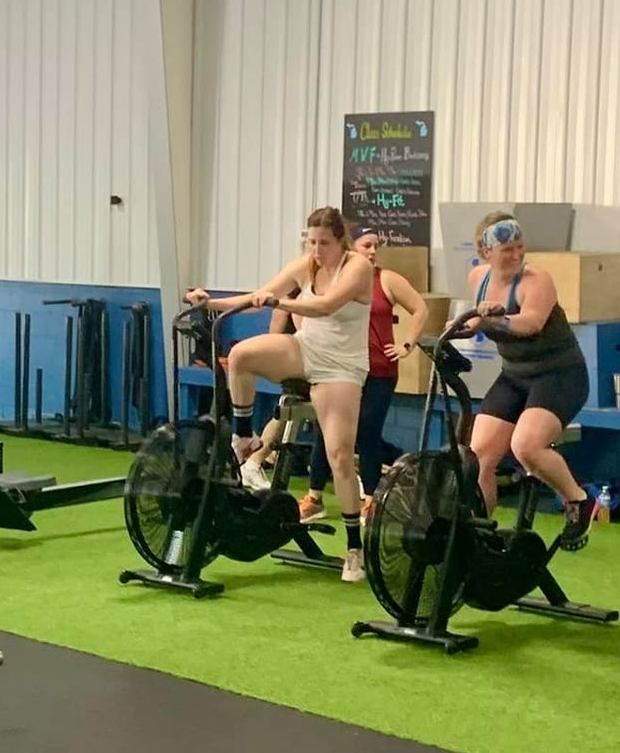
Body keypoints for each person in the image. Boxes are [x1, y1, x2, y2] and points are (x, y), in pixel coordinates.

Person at [185, 206, 374, 582]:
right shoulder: (307, 264)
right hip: (306, 349)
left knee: (338, 456)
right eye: (311, 242)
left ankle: (355, 549)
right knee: (240, 355)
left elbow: (325, 305)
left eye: (324, 243)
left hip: (342, 366)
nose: (317, 250)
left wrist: (281, 303)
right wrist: (209, 303)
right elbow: (262, 293)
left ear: (341, 241)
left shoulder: (358, 267)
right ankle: (244, 438)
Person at [247, 229, 426, 524]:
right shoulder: (330, 279)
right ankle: (314, 497)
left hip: (379, 371)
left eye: (376, 246)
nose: (372, 252)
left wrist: (407, 344)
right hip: (339, 367)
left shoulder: (387, 279)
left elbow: (420, 308)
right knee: (325, 433)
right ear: (349, 248)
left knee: (367, 432)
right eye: (366, 245)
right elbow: (302, 313)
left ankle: (370, 500)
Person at [455, 212, 597, 549]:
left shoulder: (537, 280)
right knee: (479, 457)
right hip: (515, 375)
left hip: (559, 376)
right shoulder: (478, 278)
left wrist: (494, 318)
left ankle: (579, 500)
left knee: (526, 446)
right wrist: (472, 323)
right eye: (507, 249)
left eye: (520, 247)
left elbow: (530, 323)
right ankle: (481, 533)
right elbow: (479, 319)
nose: (517, 256)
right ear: (486, 250)